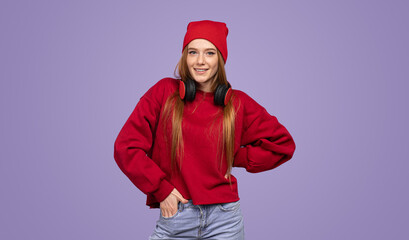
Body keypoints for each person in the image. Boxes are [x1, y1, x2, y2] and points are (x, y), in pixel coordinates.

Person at [114, 20, 296, 240]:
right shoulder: (163, 93)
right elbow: (126, 147)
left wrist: (233, 155)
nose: (200, 61)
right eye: (193, 52)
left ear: (220, 59)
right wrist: (160, 188)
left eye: (209, 53)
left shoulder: (238, 103)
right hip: (177, 215)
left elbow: (283, 145)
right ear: (185, 57)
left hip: (226, 218)